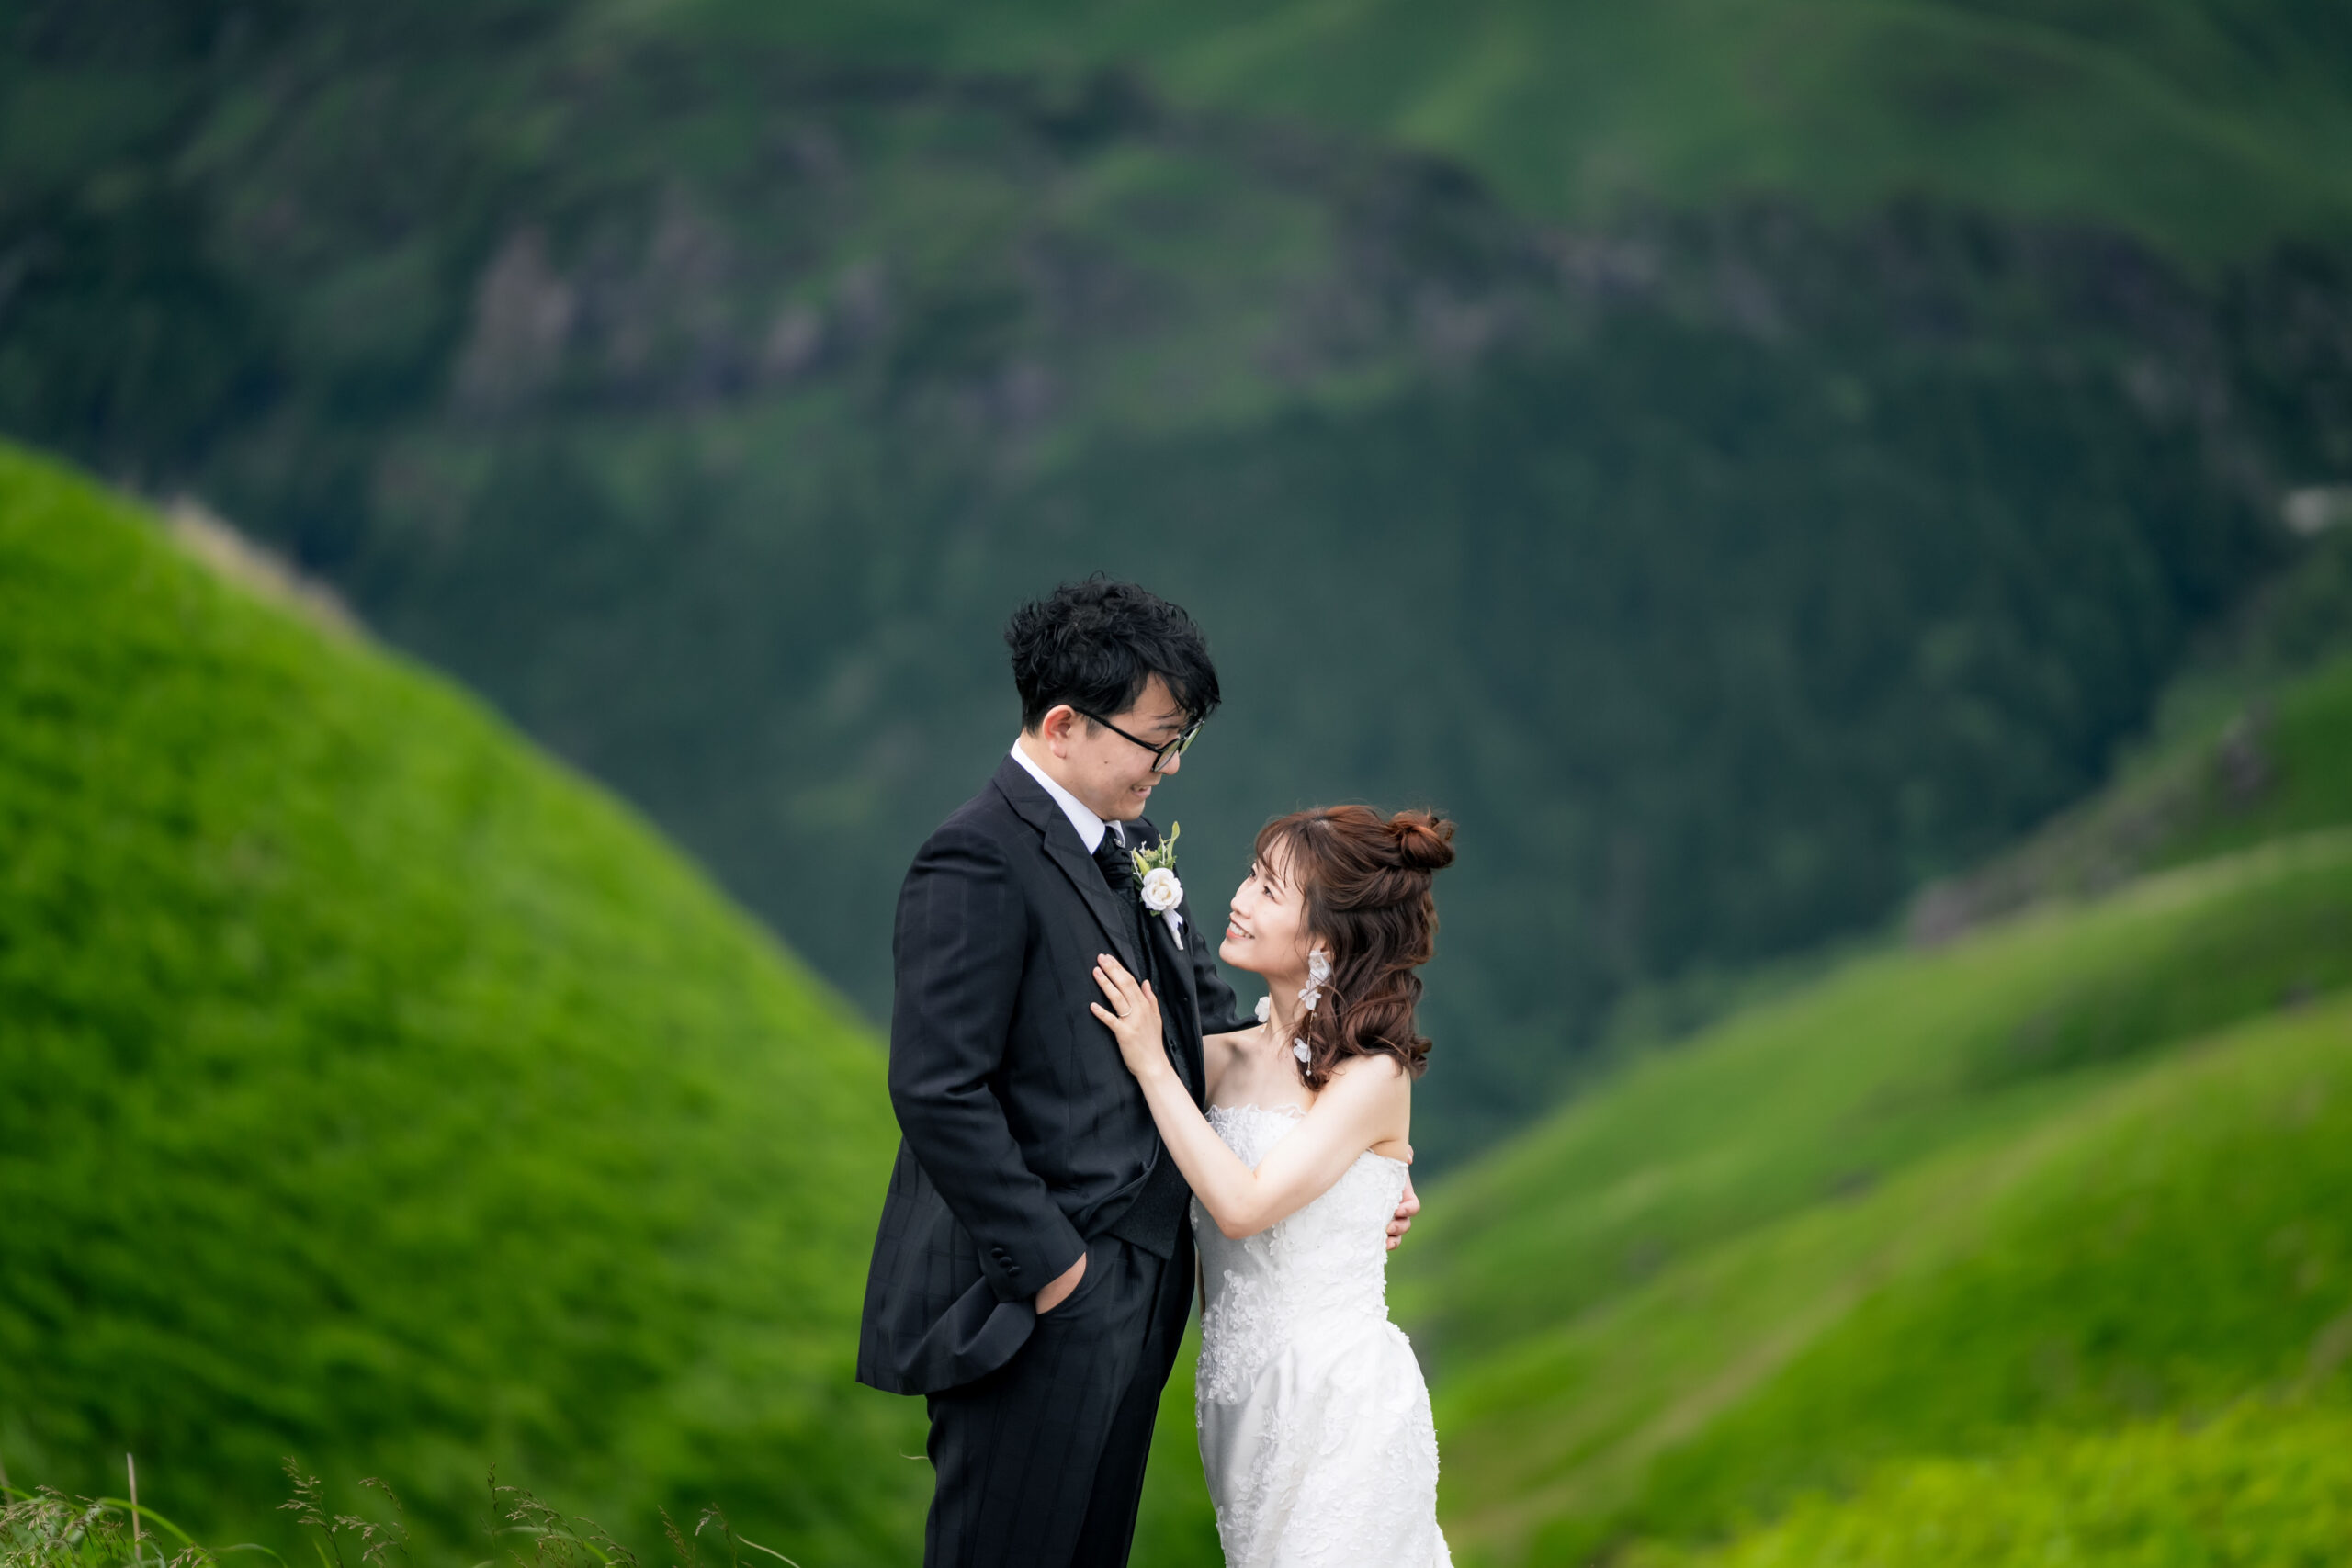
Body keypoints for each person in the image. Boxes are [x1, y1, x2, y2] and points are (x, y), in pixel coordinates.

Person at [855, 578, 1420, 1568]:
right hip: (1036, 1307)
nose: (1171, 764)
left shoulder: (1128, 847)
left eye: (1179, 740)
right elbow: (938, 1090)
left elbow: (1214, 1027)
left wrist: (1361, 1163)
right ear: (1065, 726)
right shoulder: (976, 859)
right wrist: (1058, 1274)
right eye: (1157, 740)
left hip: (1142, 1307)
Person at [1090, 804, 1457, 1567]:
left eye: (1267, 889)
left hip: (1342, 1406)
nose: (1238, 898)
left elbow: (1244, 1205)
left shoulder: (1374, 1074)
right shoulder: (1223, 1058)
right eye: (1251, 877)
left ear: (1325, 939)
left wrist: (1153, 1064)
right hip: (1242, 1408)